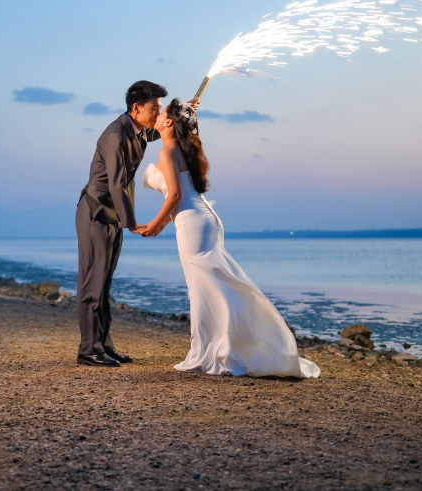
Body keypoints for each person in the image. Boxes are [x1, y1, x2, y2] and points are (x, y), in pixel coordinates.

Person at [141, 99, 320, 379]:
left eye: (163, 113)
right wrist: (185, 110)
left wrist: (155, 223)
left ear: (169, 122)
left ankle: (216, 350)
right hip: (206, 219)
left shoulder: (168, 151)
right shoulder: (182, 148)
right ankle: (218, 346)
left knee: (204, 288)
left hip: (192, 223)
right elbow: (178, 192)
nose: (158, 115)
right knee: (212, 285)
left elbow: (174, 195)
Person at [75, 80, 167, 367]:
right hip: (96, 214)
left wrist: (183, 111)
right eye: (155, 109)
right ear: (136, 107)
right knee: (93, 283)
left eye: (160, 109)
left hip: (112, 215)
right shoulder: (116, 135)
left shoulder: (137, 129)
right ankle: (88, 350)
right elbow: (115, 184)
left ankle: (103, 346)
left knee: (104, 284)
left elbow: (157, 131)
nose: (158, 114)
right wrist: (132, 224)